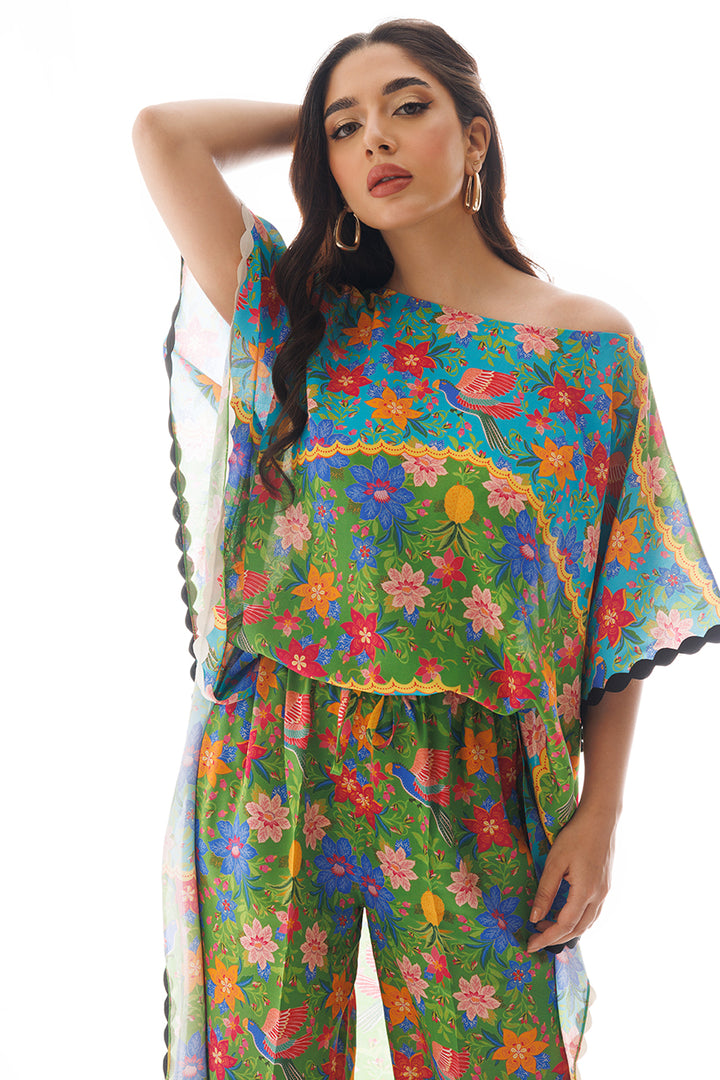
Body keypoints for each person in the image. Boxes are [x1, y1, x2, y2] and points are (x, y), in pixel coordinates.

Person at [133, 18, 720, 1080]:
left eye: (409, 108)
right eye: (346, 128)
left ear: (476, 136)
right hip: (276, 753)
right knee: (267, 1063)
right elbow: (164, 135)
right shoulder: (300, 317)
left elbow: (622, 595)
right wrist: (312, 128)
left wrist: (600, 815)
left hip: (474, 770)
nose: (377, 140)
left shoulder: (586, 351)